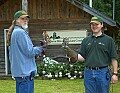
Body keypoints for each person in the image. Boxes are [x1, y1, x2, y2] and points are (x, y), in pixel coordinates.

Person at [63, 16, 118, 93]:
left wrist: (115, 74)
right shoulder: (86, 40)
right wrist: (73, 54)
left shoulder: (108, 40)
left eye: (96, 24)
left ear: (101, 25)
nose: (94, 26)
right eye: (92, 24)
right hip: (88, 72)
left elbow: (114, 58)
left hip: (102, 72)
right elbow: (82, 58)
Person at [6, 10, 46, 93]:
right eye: (23, 18)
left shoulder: (15, 32)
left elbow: (23, 52)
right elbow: (30, 51)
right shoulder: (20, 32)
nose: (25, 20)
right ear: (17, 20)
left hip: (21, 74)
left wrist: (38, 50)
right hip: (25, 74)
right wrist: (42, 48)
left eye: (26, 19)